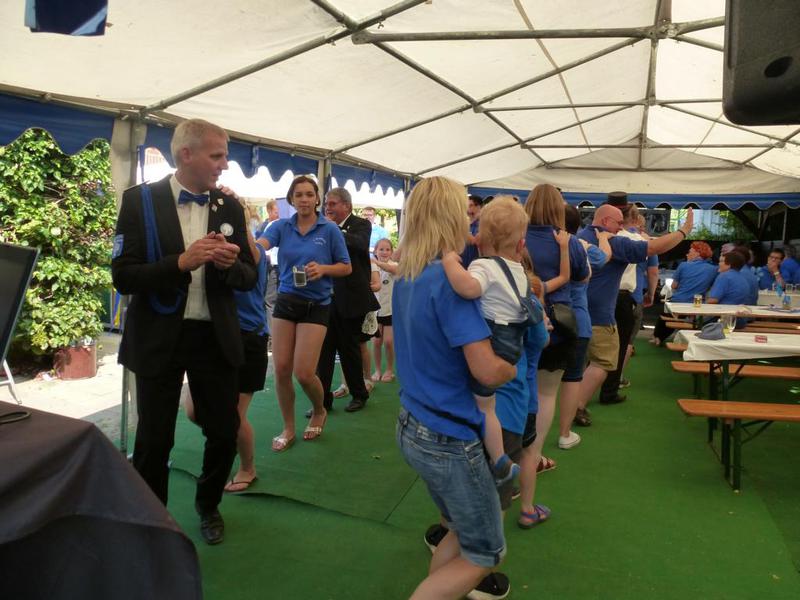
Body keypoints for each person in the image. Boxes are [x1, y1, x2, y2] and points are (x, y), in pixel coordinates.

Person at [111, 118, 257, 545]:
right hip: (159, 337)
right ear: (186, 155)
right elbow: (123, 276)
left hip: (213, 337)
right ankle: (153, 521)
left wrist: (230, 267)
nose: (225, 164)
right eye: (218, 155)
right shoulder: (139, 200)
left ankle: (208, 505)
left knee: (224, 431)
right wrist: (180, 263)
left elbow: (249, 277)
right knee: (154, 440)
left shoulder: (229, 206)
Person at [394, 176, 516, 600]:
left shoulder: (409, 275)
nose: (471, 220)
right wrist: (514, 366)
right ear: (450, 218)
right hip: (449, 436)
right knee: (486, 553)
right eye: (465, 212)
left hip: (413, 424)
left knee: (460, 531)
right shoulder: (451, 285)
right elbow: (487, 372)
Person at [442, 197, 535, 486]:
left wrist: (449, 262)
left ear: (480, 238)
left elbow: (469, 288)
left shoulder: (484, 265)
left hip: (494, 337)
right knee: (488, 406)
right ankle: (500, 458)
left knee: (481, 405)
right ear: (520, 245)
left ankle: (496, 459)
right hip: (513, 342)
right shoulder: (519, 270)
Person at [257, 176, 351, 451]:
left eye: (309, 194)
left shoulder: (329, 229)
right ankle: (288, 428)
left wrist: (323, 269)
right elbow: (261, 245)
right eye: (298, 195)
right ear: (291, 199)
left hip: (317, 305)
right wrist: (248, 244)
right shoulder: (281, 226)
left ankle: (319, 409)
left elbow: (346, 267)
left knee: (304, 373)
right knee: (281, 369)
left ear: (317, 198)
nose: (304, 199)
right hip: (286, 301)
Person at [575, 203, 693, 421]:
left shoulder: (579, 237)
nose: (621, 227)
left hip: (576, 310)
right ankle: (577, 406)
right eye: (618, 223)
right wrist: (684, 231)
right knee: (605, 361)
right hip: (602, 313)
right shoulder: (616, 242)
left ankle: (571, 405)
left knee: (577, 365)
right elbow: (653, 249)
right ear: (605, 221)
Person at [524, 184, 588, 467]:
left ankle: (512, 454)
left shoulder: (516, 235)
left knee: (516, 388)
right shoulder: (568, 241)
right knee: (546, 392)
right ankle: (534, 456)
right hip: (558, 323)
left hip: (517, 321)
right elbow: (582, 276)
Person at [316, 187, 381, 413]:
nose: (327, 208)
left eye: (332, 204)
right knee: (324, 353)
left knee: (349, 350)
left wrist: (332, 229)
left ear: (347, 206)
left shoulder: (361, 225)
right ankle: (322, 400)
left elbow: (358, 244)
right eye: (326, 204)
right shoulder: (322, 227)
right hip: (325, 299)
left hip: (352, 300)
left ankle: (359, 394)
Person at [558, 204, 611, 441]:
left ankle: (531, 440)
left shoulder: (539, 244)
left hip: (548, 320)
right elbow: (603, 258)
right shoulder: (580, 246)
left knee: (542, 385)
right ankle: (564, 433)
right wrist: (604, 239)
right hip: (577, 320)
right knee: (572, 379)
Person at [224, 227, 270, 492]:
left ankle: (247, 468)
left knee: (235, 415)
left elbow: (250, 256)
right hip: (217, 336)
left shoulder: (254, 251)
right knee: (195, 410)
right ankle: (225, 443)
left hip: (249, 338)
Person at [651, 241, 717, 346]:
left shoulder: (683, 265)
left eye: (689, 252)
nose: (687, 254)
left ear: (698, 253)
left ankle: (658, 337)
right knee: (678, 317)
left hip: (679, 302)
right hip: (697, 305)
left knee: (666, 315)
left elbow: (674, 286)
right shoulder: (713, 269)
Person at [371, 238, 397, 382]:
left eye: (387, 249)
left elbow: (393, 270)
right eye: (381, 249)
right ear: (375, 251)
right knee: (376, 342)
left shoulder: (394, 265)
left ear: (392, 252)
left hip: (390, 311)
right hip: (375, 311)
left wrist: (376, 262)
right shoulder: (371, 267)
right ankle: (377, 370)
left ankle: (389, 369)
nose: (384, 252)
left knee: (388, 342)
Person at [260, 199, 281, 330]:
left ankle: (272, 334)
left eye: (278, 212)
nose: (278, 215)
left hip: (275, 267)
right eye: (275, 212)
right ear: (268, 211)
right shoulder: (270, 225)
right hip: (277, 267)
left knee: (270, 300)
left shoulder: (273, 225)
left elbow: (263, 248)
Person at [460, 194, 483, 267]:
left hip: (475, 264)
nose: (467, 208)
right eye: (467, 205)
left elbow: (480, 243)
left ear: (478, 207)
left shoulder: (482, 224)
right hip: (462, 262)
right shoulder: (465, 223)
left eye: (470, 205)